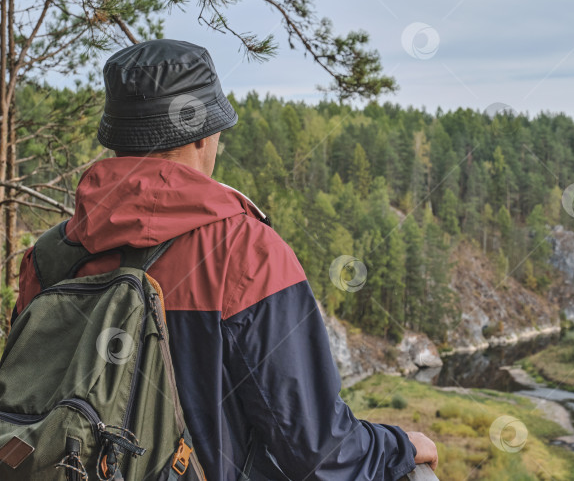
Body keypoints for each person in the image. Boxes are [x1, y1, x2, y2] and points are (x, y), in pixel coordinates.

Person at [12, 39, 438, 480]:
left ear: (116, 137)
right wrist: (399, 447)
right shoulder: (246, 254)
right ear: (203, 133)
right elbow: (317, 450)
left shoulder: (47, 257)